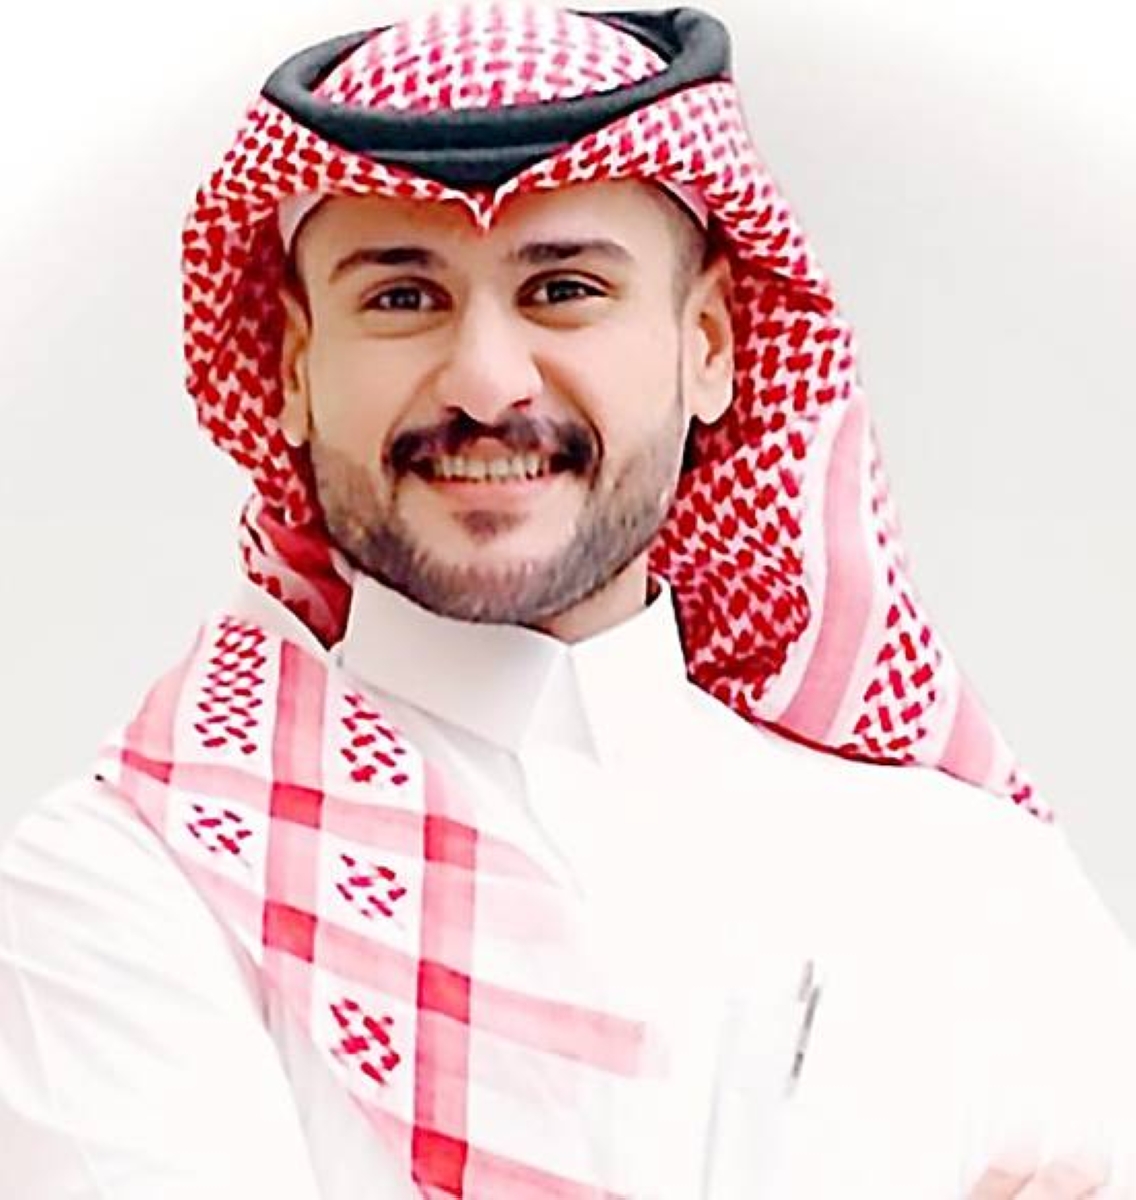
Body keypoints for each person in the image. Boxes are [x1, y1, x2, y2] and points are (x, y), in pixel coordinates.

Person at [1, 5, 1134, 1198]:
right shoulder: (132, 880)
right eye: (402, 299)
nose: (486, 383)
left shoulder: (969, 889)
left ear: (708, 345)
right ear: (291, 366)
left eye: (563, 289)